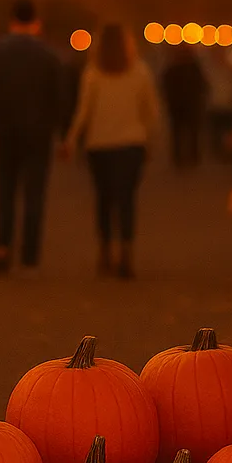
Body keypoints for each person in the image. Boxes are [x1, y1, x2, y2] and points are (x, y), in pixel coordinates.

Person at [0, 0, 63, 274]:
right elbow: (58, 99)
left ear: (11, 20)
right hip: (38, 133)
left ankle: (2, 246)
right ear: (36, 22)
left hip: (4, 131)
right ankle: (30, 252)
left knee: (5, 191)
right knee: (34, 193)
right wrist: (63, 135)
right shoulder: (49, 56)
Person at [63, 23, 160, 279]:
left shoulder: (93, 73)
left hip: (100, 145)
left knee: (104, 199)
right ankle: (126, 251)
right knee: (127, 199)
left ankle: (105, 249)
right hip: (132, 144)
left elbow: (83, 112)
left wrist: (71, 139)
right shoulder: (140, 72)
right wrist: (151, 139)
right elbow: (151, 111)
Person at [162, 45, 209, 168]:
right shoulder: (194, 68)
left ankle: (179, 159)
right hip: (191, 105)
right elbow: (203, 85)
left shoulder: (172, 68)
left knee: (178, 134)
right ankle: (193, 158)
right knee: (192, 133)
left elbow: (165, 86)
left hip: (177, 106)